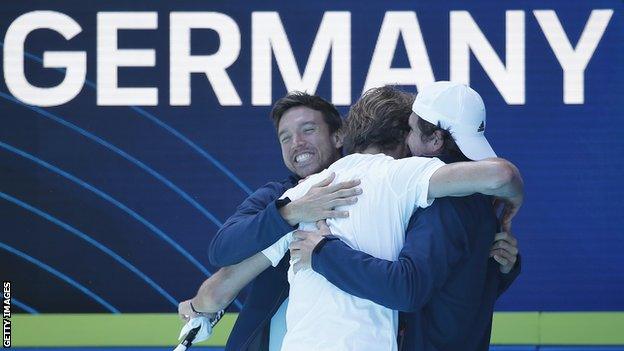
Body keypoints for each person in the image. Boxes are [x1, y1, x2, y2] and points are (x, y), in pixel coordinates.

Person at [178, 91, 521, 350]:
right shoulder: (408, 176)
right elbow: (498, 175)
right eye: (286, 136)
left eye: (309, 130)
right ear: (404, 137)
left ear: (344, 134)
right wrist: (511, 197)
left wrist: (199, 309)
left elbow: (222, 286)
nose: (297, 142)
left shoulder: (304, 193)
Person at [289, 83, 520, 350]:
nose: (404, 140)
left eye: (410, 129)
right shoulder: (477, 196)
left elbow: (408, 289)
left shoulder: (444, 201)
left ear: (435, 140)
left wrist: (322, 252)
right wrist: (504, 270)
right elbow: (464, 290)